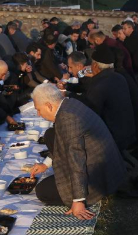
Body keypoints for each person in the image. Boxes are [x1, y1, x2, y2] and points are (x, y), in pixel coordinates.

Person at [29, 84, 125, 219]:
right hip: (100, 162)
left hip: (98, 177)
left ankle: (84, 194)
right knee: (51, 134)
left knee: (42, 191)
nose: (39, 114)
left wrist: (78, 200)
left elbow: (77, 161)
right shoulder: (69, 103)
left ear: (49, 106)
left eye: (38, 110)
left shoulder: (68, 119)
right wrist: (45, 164)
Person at [80, 46, 136, 152]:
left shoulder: (100, 84)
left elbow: (90, 112)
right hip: (128, 134)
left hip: (113, 138)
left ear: (95, 65)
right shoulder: (119, 77)